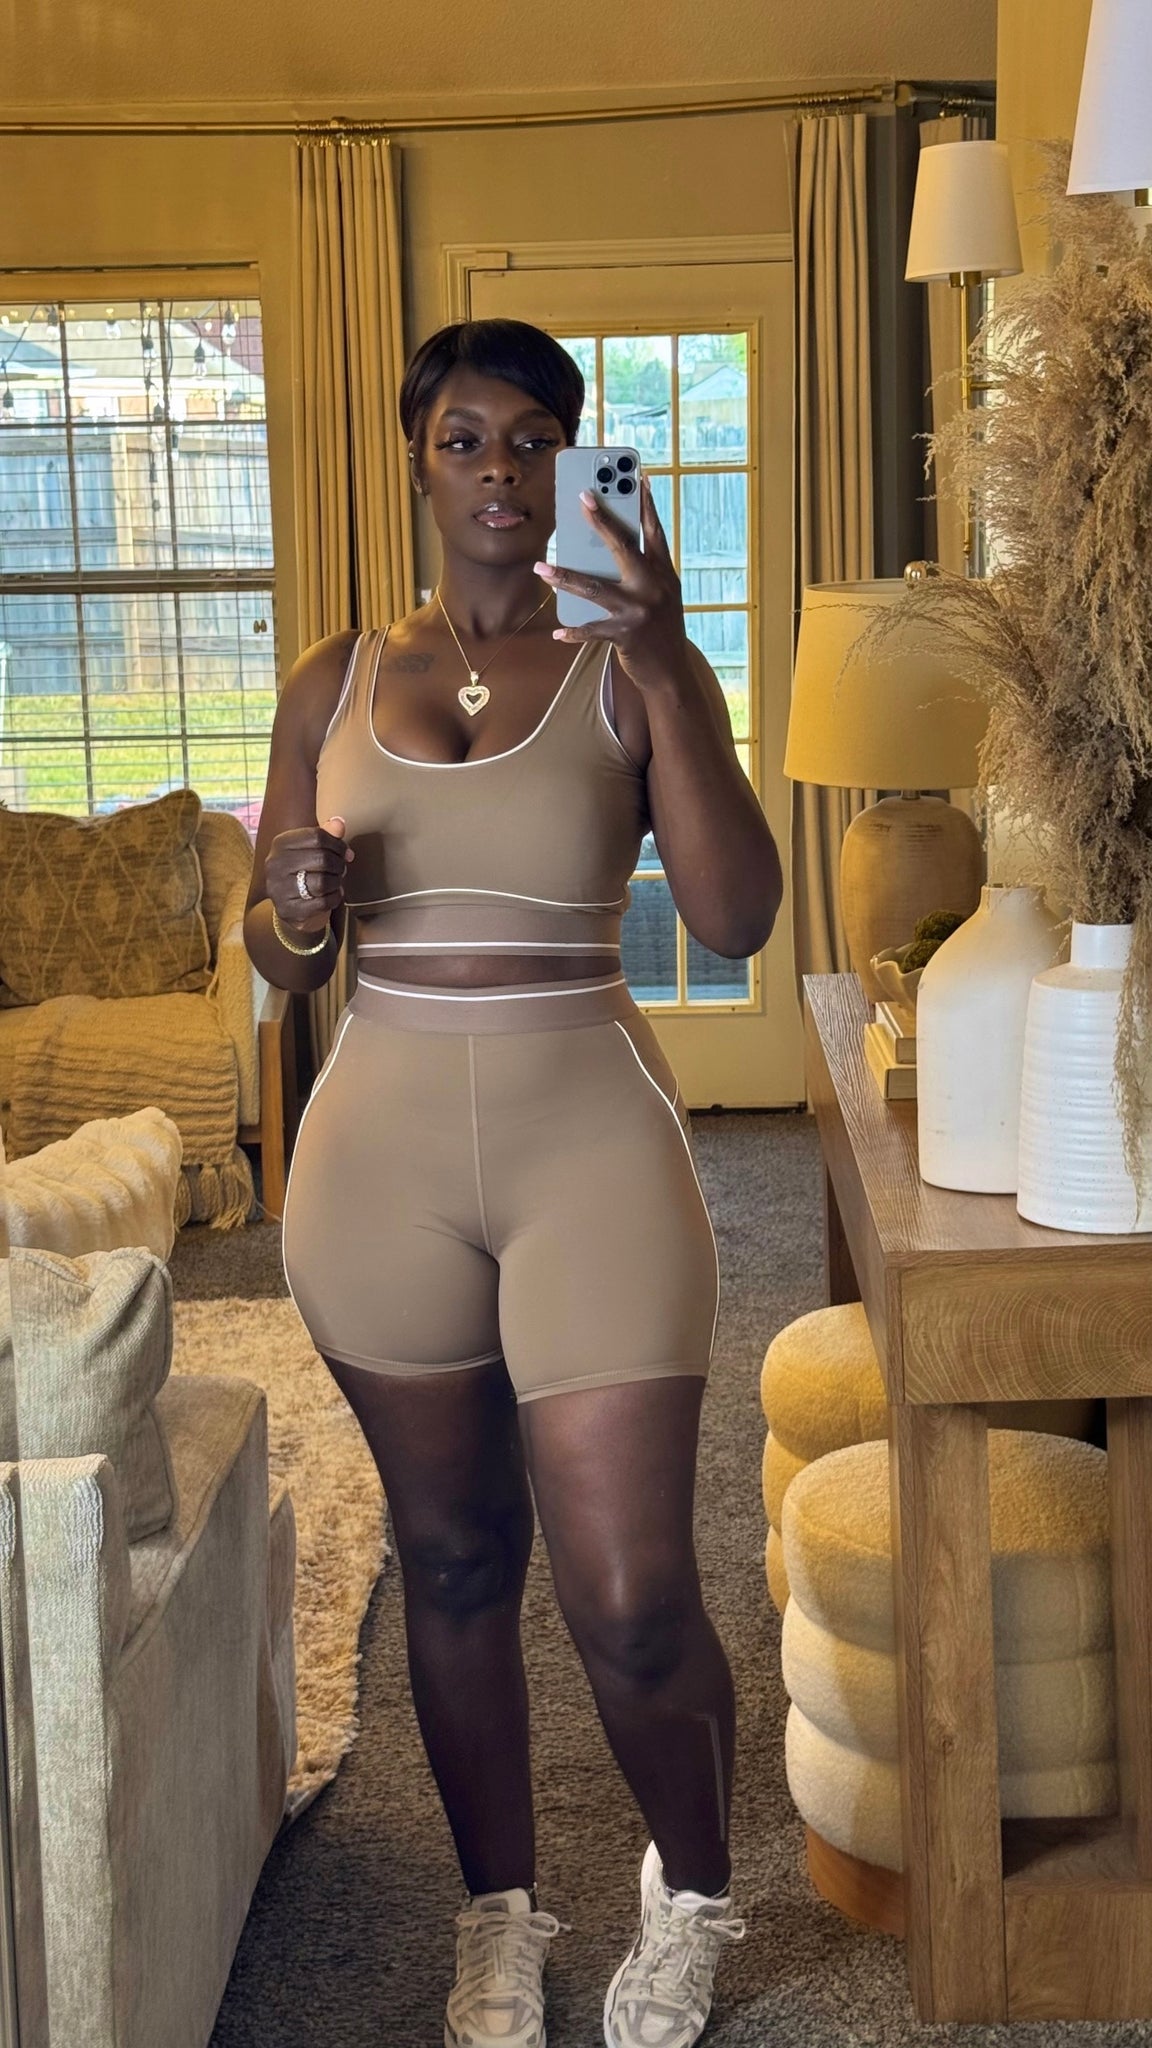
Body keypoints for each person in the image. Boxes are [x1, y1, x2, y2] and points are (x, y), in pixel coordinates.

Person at [244, 318, 783, 2048]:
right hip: (377, 1165)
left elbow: (738, 918)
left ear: (573, 462)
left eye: (534, 441)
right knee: (457, 1556)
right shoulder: (331, 680)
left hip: (590, 1149)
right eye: (465, 439)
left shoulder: (630, 668)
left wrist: (673, 657)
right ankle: (500, 1917)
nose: (500, 472)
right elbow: (280, 952)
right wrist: (298, 904)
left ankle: (691, 1900)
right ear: (419, 460)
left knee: (630, 1591)